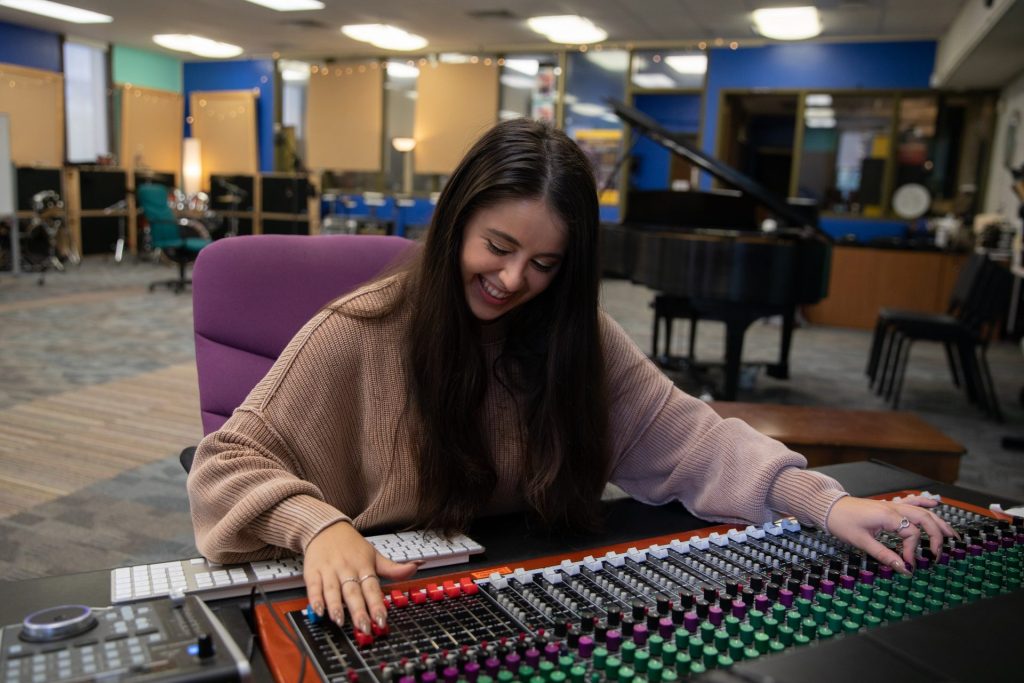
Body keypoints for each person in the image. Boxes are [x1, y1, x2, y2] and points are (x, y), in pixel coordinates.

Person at [187, 118, 956, 638]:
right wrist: (318, 526)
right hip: (390, 605)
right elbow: (227, 461)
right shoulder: (356, 331)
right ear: (457, 218)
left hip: (509, 593)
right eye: (497, 245)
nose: (513, 280)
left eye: (545, 264)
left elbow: (693, 438)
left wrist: (826, 504)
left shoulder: (573, 335)